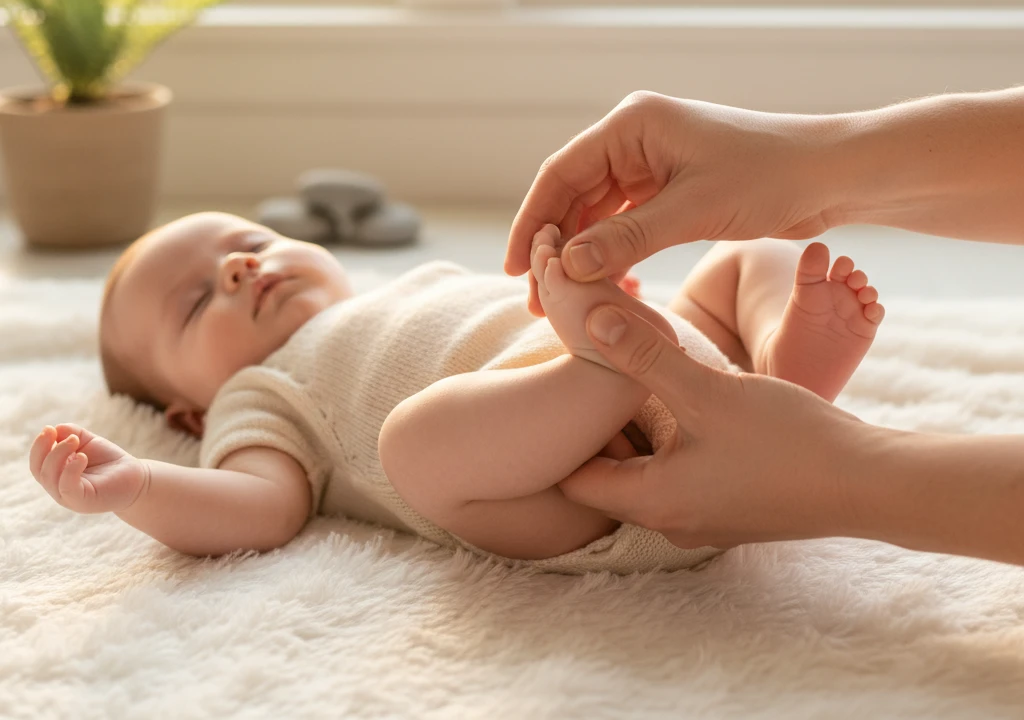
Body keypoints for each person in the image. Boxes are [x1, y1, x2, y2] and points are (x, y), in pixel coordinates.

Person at [29, 208, 881, 573]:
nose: (240, 267)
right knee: (414, 445)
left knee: (748, 258)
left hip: (665, 373)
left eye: (250, 242)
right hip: (578, 485)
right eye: (196, 301)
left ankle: (775, 378)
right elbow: (259, 508)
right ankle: (609, 367)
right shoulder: (259, 392)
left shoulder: (396, 290)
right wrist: (137, 487)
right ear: (189, 410)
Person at [503, 87, 1024, 568]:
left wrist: (840, 477)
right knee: (749, 257)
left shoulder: (426, 284)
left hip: (617, 371)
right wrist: (816, 166)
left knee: (746, 255)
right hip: (565, 421)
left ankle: (751, 374)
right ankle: (764, 374)